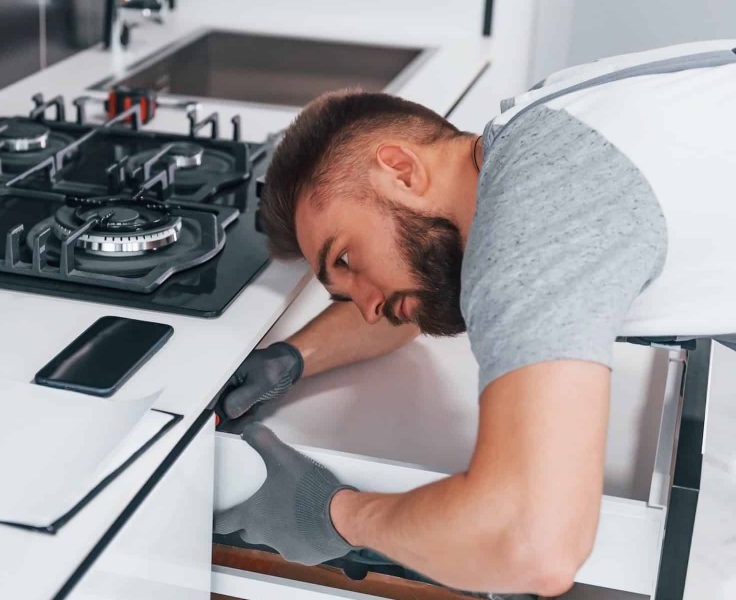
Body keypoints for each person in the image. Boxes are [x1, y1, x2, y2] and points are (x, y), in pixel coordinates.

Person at [213, 40, 736, 596]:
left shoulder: (533, 214)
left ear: (400, 169)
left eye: (346, 258)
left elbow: (534, 544)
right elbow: (410, 303)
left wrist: (332, 515)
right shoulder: (533, 125)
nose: (367, 306)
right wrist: (292, 358)